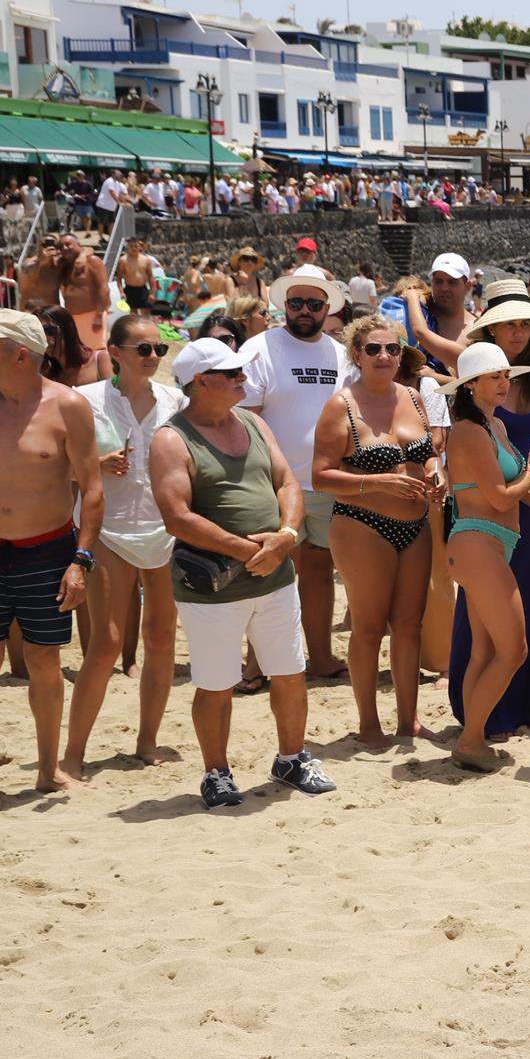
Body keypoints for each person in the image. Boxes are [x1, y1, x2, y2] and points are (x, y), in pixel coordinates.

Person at [149, 338, 335, 809]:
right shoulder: (171, 439)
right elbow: (178, 516)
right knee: (215, 683)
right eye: (231, 374)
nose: (242, 379)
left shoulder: (252, 421)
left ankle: (292, 757)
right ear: (201, 382)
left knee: (290, 672)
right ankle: (216, 772)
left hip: (273, 574)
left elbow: (287, 481)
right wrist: (250, 550)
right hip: (213, 585)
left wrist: (287, 535)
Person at [0, 310, 103, 811]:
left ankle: (48, 771)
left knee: (46, 661)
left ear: (20, 355)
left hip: (47, 549)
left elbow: (92, 489)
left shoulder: (68, 407)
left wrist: (82, 560)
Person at [310, 314, 441, 749]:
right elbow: (321, 476)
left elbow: (428, 455)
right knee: (368, 628)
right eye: (374, 349)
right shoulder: (341, 406)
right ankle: (368, 723)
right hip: (361, 526)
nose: (384, 356)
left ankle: (409, 720)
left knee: (409, 625)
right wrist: (377, 482)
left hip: (415, 524)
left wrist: (436, 470)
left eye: (392, 349)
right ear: (356, 355)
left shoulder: (414, 396)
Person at [64, 314, 186, 776]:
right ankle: (73, 755)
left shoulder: (174, 400)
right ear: (114, 352)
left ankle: (147, 741)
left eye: (159, 349)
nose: (154, 357)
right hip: (107, 529)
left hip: (163, 528)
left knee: (160, 638)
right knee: (107, 642)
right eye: (143, 349)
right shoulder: (84, 401)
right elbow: (53, 462)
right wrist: (94, 463)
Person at [448, 284, 530, 741]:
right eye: (509, 322)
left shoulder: (509, 405)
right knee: (495, 636)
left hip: (520, 516)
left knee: (525, 613)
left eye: (524, 322)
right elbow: (493, 487)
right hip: (490, 524)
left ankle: (509, 714)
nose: (518, 329)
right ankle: (478, 725)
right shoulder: (474, 424)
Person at [239, 265, 350, 686]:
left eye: (314, 304)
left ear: (327, 308)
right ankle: (257, 663)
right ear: (283, 305)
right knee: (268, 572)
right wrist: (270, 476)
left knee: (320, 572)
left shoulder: (340, 354)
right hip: (273, 484)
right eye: (296, 303)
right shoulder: (259, 349)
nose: (305, 311)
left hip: (326, 482)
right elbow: (245, 419)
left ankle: (320, 656)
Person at [404, 253, 477, 374]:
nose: (444, 288)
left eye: (452, 282)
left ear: (467, 286)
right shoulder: (418, 314)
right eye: (438, 281)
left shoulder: (477, 329)